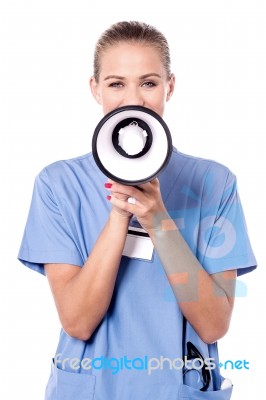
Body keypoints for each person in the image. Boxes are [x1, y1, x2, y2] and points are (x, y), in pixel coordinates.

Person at [18, 21, 257, 399]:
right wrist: (119, 215)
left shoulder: (214, 183)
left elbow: (213, 325)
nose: (133, 99)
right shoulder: (57, 184)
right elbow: (78, 322)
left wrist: (157, 219)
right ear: (95, 89)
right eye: (116, 84)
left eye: (148, 83)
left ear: (170, 87)